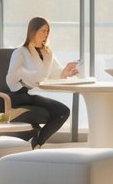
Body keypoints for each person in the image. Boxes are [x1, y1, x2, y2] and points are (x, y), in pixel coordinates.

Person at [5, 16, 79, 147]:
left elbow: (55, 73)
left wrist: (66, 72)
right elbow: (10, 79)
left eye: (47, 31)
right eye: (42, 31)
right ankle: (35, 139)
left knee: (63, 112)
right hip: (20, 95)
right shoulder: (20, 52)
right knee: (58, 111)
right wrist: (30, 75)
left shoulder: (47, 53)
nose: (46, 34)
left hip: (33, 95)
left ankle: (37, 142)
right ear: (32, 31)